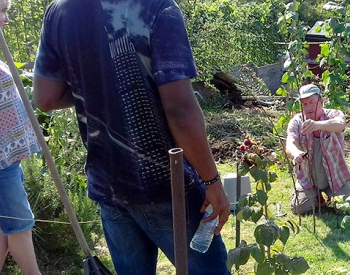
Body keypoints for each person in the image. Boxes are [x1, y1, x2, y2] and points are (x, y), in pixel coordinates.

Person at [32, 0, 230, 273]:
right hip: (167, 187)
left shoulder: (60, 10)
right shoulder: (156, 7)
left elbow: (45, 97)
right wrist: (212, 181)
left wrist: (95, 93)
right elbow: (180, 110)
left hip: (109, 187)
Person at [0, 0, 42, 273]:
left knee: (6, 225)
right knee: (20, 226)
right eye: (2, 12)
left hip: (7, 157)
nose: (7, 19)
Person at [285, 84, 350, 214]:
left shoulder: (334, 115)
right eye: (304, 104)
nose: (308, 107)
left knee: (348, 208)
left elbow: (340, 125)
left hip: (335, 178)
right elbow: (290, 142)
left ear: (321, 102)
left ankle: (331, 195)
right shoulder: (297, 121)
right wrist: (296, 153)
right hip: (308, 179)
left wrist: (317, 125)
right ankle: (316, 197)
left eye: (311, 102)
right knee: (299, 208)